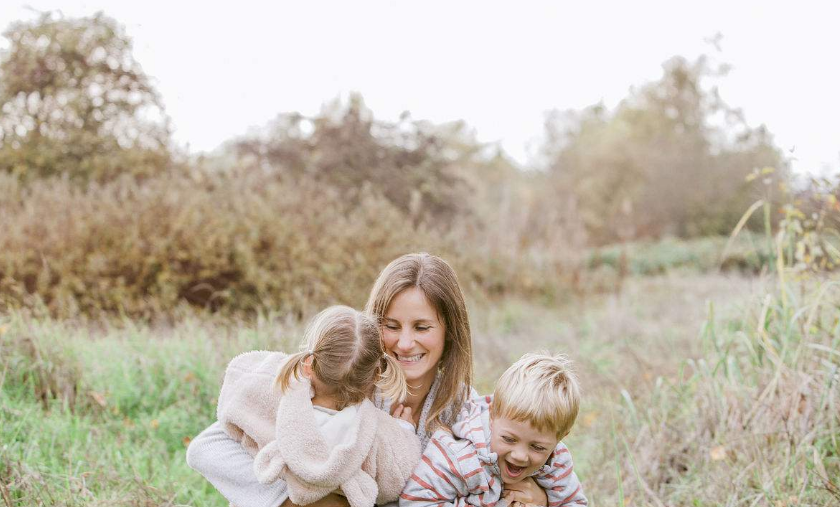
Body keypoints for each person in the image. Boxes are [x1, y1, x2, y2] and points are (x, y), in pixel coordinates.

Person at [187, 253, 476, 507]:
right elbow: (207, 448)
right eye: (391, 326)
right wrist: (294, 500)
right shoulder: (341, 380)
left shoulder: (465, 409)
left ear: (449, 331)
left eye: (422, 327)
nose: (404, 343)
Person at [215, 306, 421, 507]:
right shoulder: (379, 433)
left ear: (309, 364)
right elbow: (397, 480)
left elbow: (236, 391)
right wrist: (404, 430)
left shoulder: (272, 401)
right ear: (376, 375)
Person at [399, 352, 588, 507]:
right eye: (509, 439)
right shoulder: (460, 455)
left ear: (561, 437)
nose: (520, 456)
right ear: (492, 416)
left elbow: (575, 502)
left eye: (537, 447)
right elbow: (414, 500)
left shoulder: (557, 461)